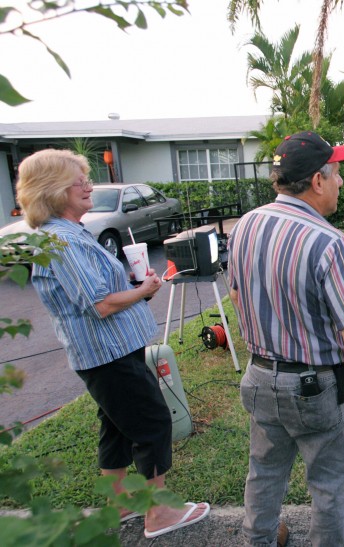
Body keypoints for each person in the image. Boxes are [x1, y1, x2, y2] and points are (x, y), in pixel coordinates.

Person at [16, 149, 209, 539]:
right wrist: (143, 291)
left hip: (113, 349)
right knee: (153, 423)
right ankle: (158, 514)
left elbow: (103, 294)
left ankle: (119, 503)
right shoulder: (61, 241)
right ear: (53, 191)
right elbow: (99, 305)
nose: (89, 186)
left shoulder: (69, 233)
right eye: (80, 181)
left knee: (117, 427)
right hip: (108, 354)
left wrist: (140, 289)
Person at [227, 131, 344, 547]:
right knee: (330, 483)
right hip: (317, 387)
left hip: (259, 377)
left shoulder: (244, 226)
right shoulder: (330, 243)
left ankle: (256, 539)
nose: (341, 183)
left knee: (263, 471)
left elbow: (237, 295)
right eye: (336, 175)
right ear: (317, 180)